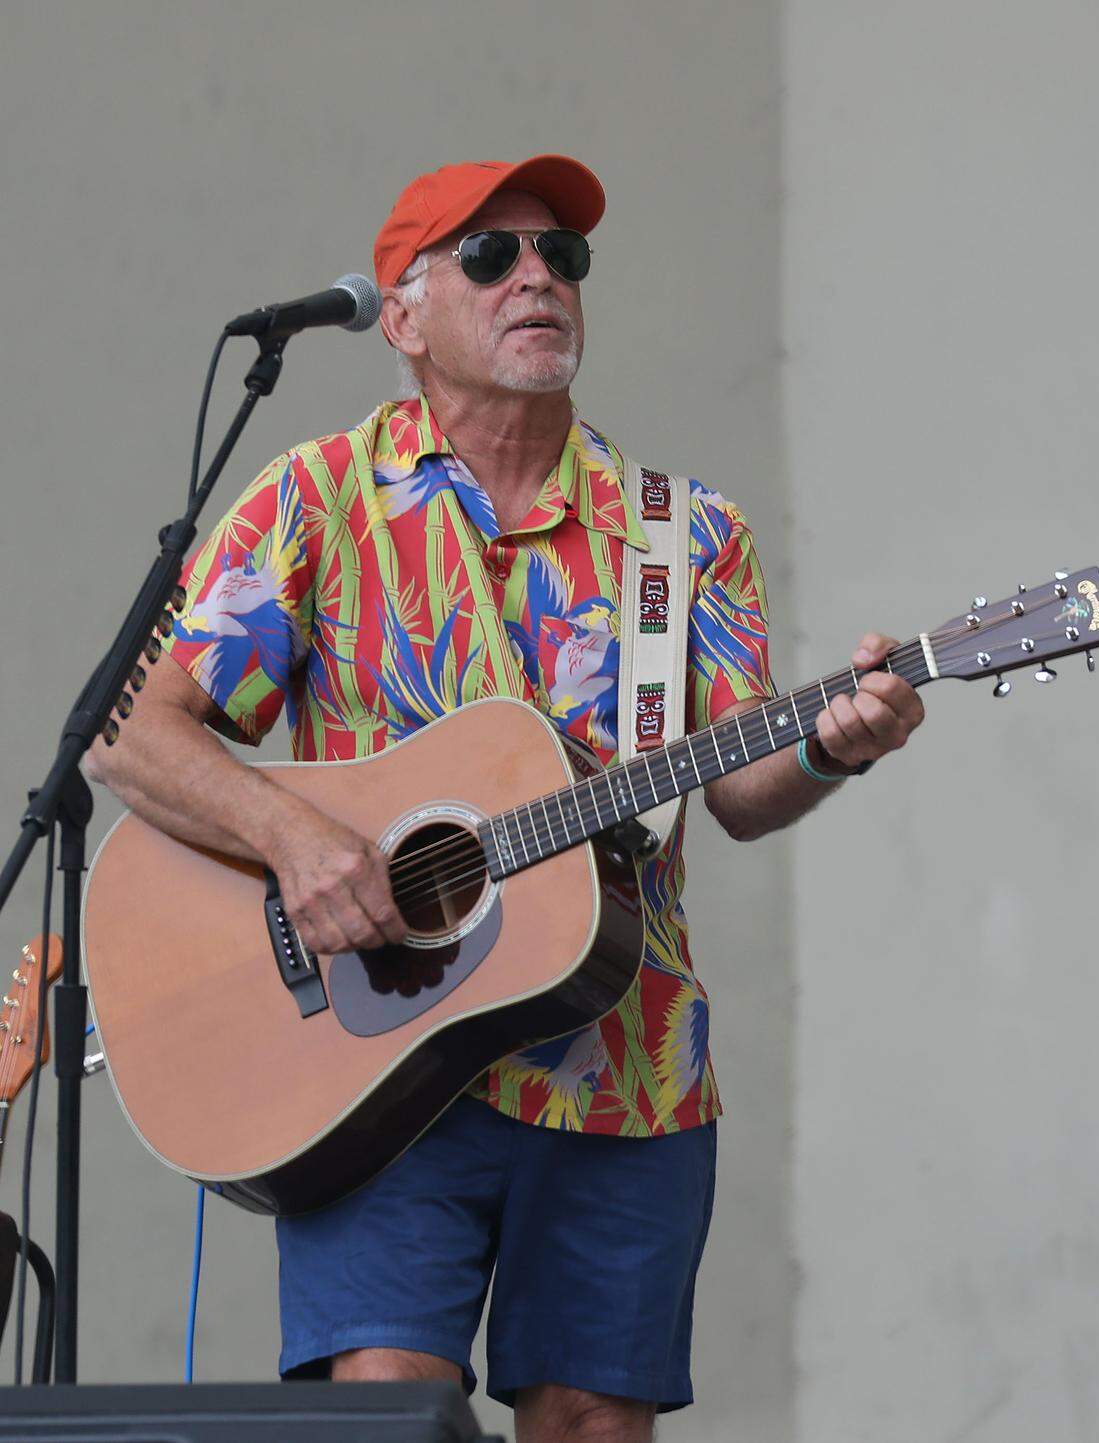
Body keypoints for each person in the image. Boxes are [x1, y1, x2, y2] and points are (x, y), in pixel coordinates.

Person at [86, 154, 924, 1442]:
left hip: (622, 1050)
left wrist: (837, 743)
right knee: (386, 1419)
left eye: (562, 255)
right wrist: (296, 838)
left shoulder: (682, 535)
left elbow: (742, 791)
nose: (537, 273)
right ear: (405, 314)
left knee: (593, 1421)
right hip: (369, 1064)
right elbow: (130, 738)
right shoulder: (315, 502)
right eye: (492, 254)